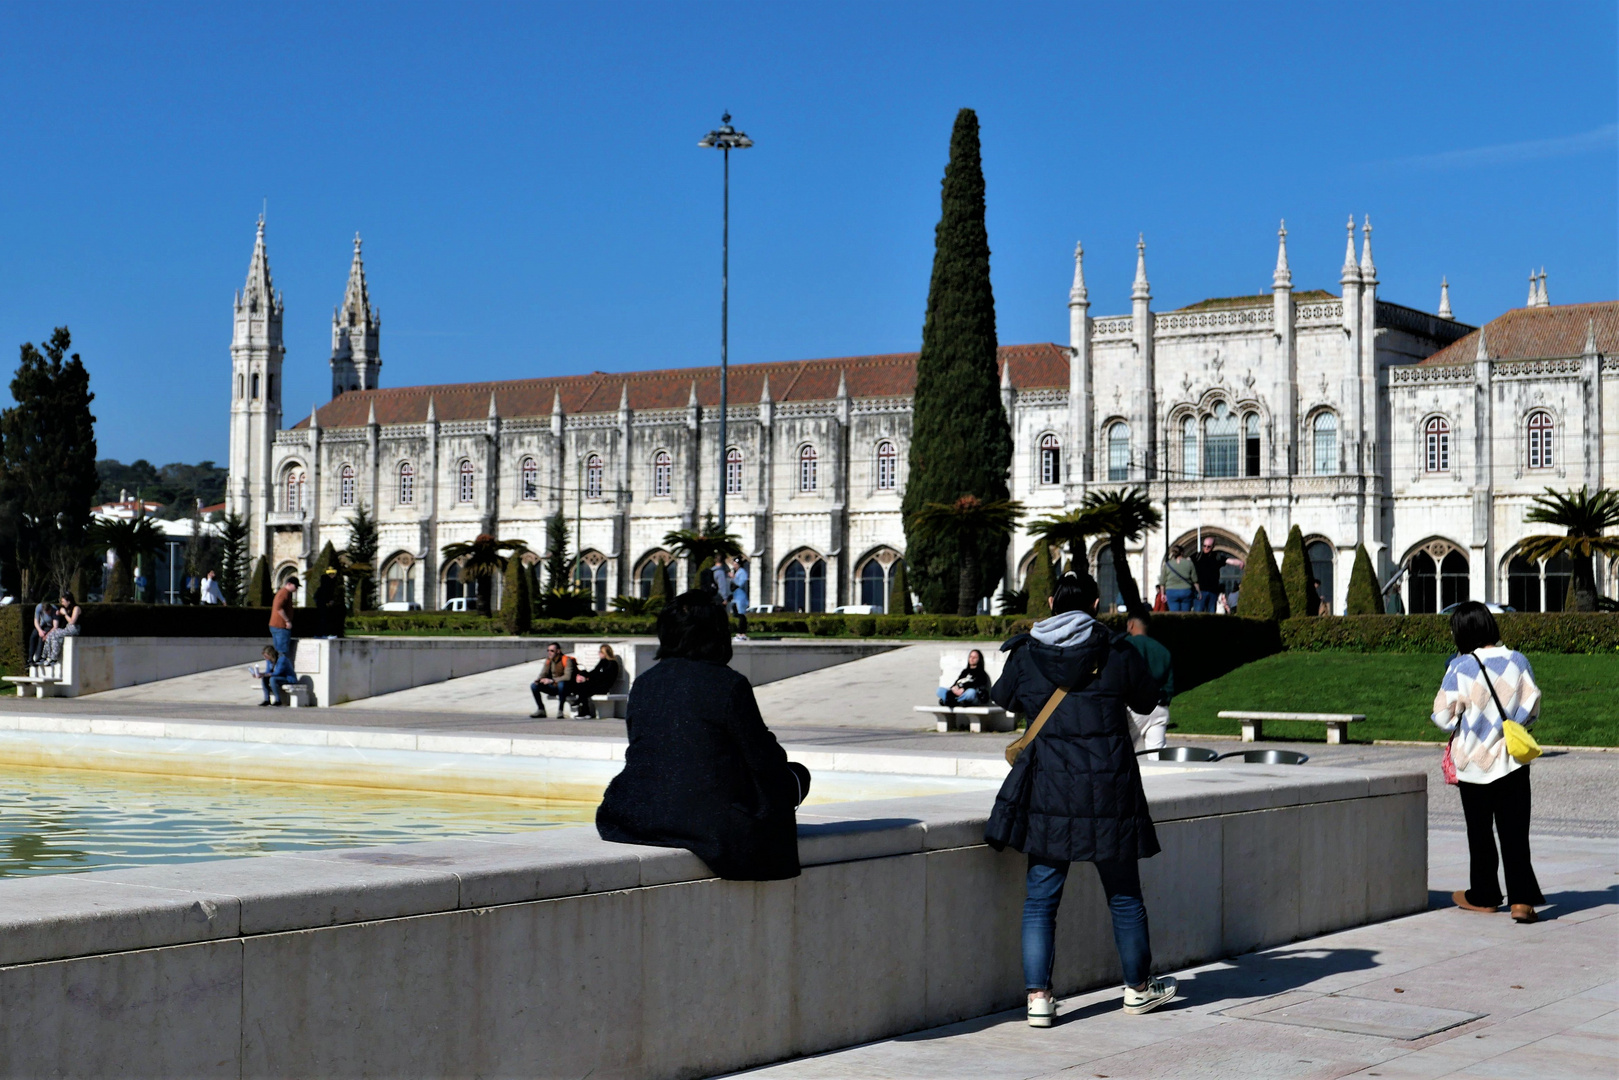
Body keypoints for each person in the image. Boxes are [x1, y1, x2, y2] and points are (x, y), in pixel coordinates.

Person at [985, 572, 1177, 1027]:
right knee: (1125, 895)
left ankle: (1038, 999)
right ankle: (1137, 989)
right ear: (1096, 603)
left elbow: (1002, 696)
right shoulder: (1115, 650)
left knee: (1040, 900)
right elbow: (1149, 702)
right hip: (1110, 788)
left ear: (1051, 602)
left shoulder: (1026, 650)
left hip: (1050, 791)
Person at [596, 590, 811, 880]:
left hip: (633, 813)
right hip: (708, 821)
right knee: (797, 776)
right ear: (717, 634)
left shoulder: (645, 683)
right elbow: (764, 760)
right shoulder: (727, 684)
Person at [1433, 601, 1544, 923]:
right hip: (1511, 760)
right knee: (1515, 833)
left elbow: (1442, 716)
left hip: (1474, 762)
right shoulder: (1518, 660)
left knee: (1479, 832)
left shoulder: (1461, 667)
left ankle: (1484, 895)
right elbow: (1533, 708)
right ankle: (1521, 900)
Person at [1124, 614, 1174, 751]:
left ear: (1131, 624)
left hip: (1135, 707)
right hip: (1159, 707)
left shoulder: (1126, 645)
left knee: (1123, 752)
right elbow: (1169, 684)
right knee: (1157, 757)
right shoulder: (1163, 650)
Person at [1190, 536, 1242, 613]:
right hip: (1200, 590)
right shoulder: (1197, 556)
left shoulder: (1217, 557)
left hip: (1213, 591)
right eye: (1204, 546)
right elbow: (1186, 561)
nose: (1206, 548)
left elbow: (1229, 561)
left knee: (1211, 613)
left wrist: (1240, 562)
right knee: (1198, 613)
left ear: (1213, 547)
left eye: (1208, 546)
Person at [568, 644, 622, 719]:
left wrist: (589, 678)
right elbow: (594, 672)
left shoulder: (612, 664)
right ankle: (584, 710)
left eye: (600, 652)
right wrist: (583, 674)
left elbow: (605, 677)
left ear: (605, 653)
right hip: (596, 684)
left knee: (584, 688)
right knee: (582, 686)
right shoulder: (603, 661)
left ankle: (583, 709)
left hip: (603, 687)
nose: (599, 653)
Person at [530, 642, 577, 718]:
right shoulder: (549, 660)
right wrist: (539, 680)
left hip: (567, 688)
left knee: (561, 684)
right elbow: (543, 673)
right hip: (554, 687)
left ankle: (560, 710)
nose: (549, 652)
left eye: (552, 651)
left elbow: (568, 677)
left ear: (558, 651)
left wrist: (552, 680)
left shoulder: (567, 660)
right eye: (548, 650)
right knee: (534, 686)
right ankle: (541, 709)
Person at [43, 593, 81, 666]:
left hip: (74, 629)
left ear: (69, 601)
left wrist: (65, 614)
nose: (62, 603)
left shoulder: (76, 608)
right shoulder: (66, 608)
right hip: (67, 628)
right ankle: (47, 656)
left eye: (63, 601)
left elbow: (72, 621)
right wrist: (59, 612)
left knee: (55, 634)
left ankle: (54, 657)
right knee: (51, 634)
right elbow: (60, 612)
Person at [269, 576, 298, 662]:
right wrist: (287, 621)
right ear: (289, 584)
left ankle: (277, 671)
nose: (296, 589)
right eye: (295, 586)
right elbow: (279, 608)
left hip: (276, 626)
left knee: (279, 651)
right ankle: (281, 672)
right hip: (281, 626)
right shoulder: (284, 593)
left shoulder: (285, 593)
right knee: (283, 652)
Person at [1159, 546, 1196, 612]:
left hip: (1171, 591)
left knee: (1174, 614)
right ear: (1182, 553)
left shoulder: (1167, 565)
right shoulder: (1189, 563)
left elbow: (1162, 581)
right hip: (1186, 590)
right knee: (1185, 614)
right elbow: (1195, 579)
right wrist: (1198, 591)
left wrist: (1162, 594)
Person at [28, 600, 55, 667]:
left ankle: (39, 658)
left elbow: (55, 626)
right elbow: (36, 621)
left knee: (41, 638)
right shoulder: (39, 607)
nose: (47, 613)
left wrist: (47, 634)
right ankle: (30, 659)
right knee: (33, 636)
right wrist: (39, 630)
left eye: (48, 612)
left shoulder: (54, 610)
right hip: (41, 625)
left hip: (49, 626)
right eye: (45, 612)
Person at [730, 556, 750, 638]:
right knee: (736, 613)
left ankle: (742, 633)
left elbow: (740, 584)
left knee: (741, 615)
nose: (734, 565)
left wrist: (733, 578)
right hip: (736, 597)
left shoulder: (742, 572)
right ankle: (740, 632)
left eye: (735, 564)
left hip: (741, 597)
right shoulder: (737, 572)